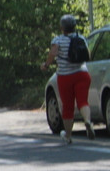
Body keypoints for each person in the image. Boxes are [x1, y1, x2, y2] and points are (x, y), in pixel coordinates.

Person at [41, 14, 95, 144]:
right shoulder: (81, 38)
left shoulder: (58, 40)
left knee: (68, 107)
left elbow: (53, 53)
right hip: (82, 74)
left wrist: (46, 65)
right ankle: (87, 121)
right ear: (74, 26)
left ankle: (68, 135)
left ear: (62, 27)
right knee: (83, 101)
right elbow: (88, 54)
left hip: (65, 77)